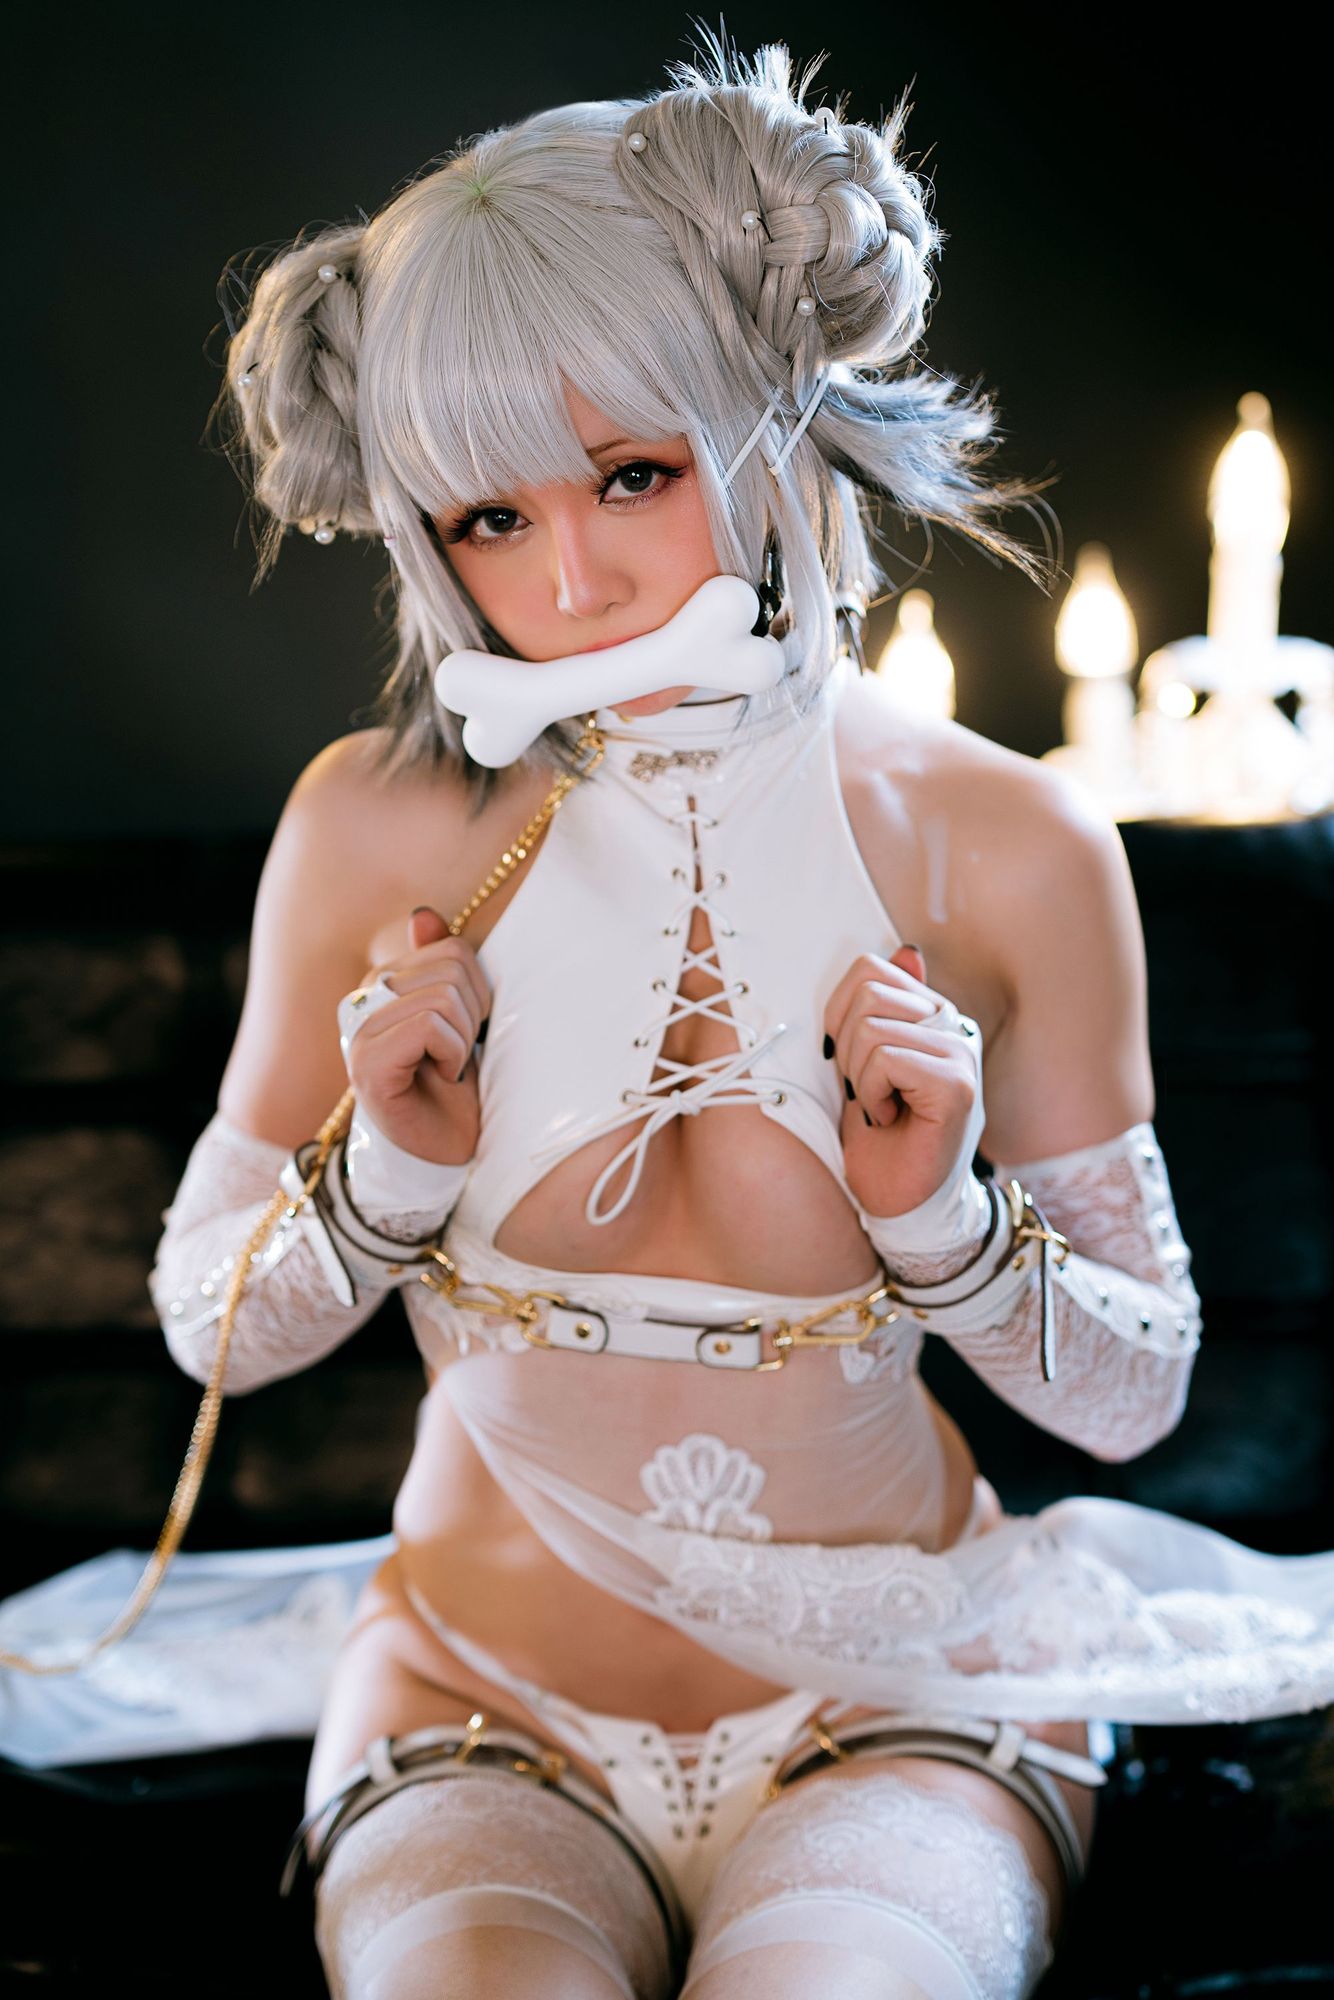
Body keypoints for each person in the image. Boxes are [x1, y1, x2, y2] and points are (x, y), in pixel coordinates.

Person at [6, 31, 1333, 2000]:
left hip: (904, 1695)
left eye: (633, 473)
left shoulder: (1012, 843)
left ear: (772, 417)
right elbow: (212, 1319)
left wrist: (945, 1219)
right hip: (476, 1693)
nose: (573, 579)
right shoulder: (368, 824)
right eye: (485, 518)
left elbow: (1132, 1397)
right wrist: (386, 1176)